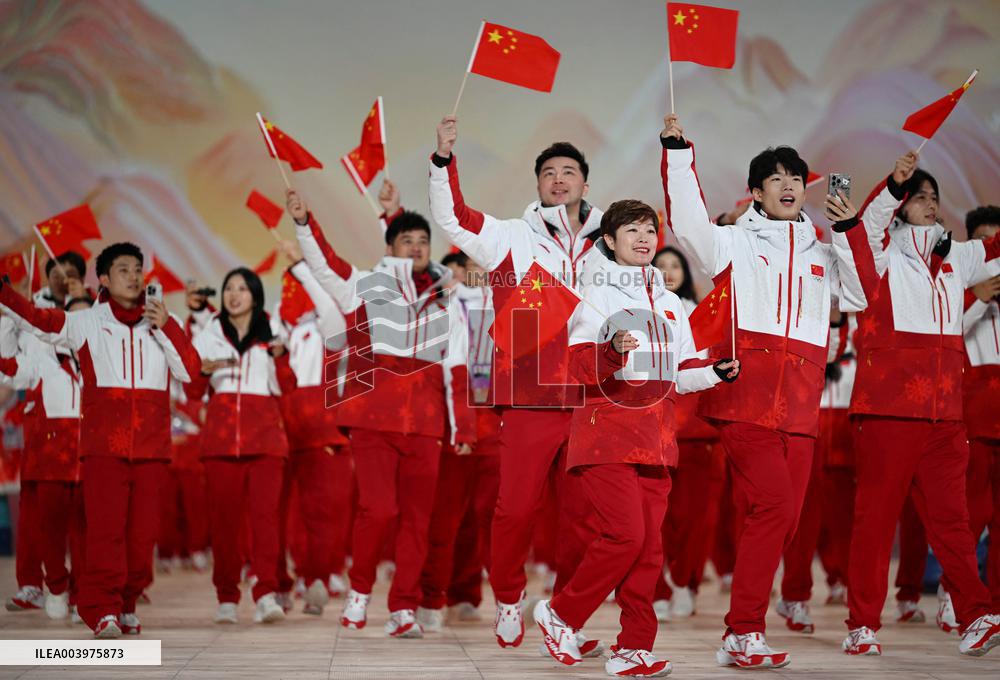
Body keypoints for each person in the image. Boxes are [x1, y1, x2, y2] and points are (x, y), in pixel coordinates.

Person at [660, 112, 878, 668]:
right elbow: (686, 220)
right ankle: (744, 628)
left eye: (795, 178)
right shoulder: (732, 243)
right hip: (745, 399)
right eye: (775, 178)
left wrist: (850, 229)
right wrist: (680, 156)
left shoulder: (823, 251)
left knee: (778, 515)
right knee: (776, 506)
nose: (787, 186)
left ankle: (742, 632)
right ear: (756, 191)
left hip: (801, 406)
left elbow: (861, 294)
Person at [532, 199, 739, 676]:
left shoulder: (670, 302)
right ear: (610, 240)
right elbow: (578, 365)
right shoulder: (596, 291)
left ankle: (634, 647)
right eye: (632, 230)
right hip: (606, 433)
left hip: (658, 439)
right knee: (625, 536)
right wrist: (611, 351)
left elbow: (680, 373)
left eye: (650, 230)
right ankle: (561, 614)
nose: (644, 238)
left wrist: (715, 373)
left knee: (648, 550)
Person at [429, 116, 608, 653]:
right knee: (515, 508)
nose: (559, 179)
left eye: (569, 171)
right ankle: (508, 598)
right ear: (538, 184)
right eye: (549, 172)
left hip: (589, 395)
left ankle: (564, 615)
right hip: (529, 392)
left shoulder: (610, 242)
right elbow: (454, 219)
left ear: (585, 183)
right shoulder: (510, 236)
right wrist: (443, 163)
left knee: (581, 518)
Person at [290, 185, 472, 638]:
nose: (415, 248)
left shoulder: (446, 299)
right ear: (390, 247)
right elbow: (324, 263)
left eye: (422, 242)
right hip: (374, 422)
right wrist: (303, 223)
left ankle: (403, 607)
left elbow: (458, 369)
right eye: (406, 241)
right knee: (380, 510)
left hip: (427, 426)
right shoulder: (364, 287)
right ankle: (359, 593)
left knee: (417, 519)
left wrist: (462, 426)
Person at [0, 242, 200, 638]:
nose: (133, 275)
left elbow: (191, 377)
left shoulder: (162, 320)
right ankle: (101, 608)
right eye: (122, 269)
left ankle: (126, 603)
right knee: (105, 534)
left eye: (137, 268)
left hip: (151, 449)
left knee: (142, 540)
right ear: (104, 280)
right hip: (104, 448)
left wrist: (168, 327)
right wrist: (5, 295)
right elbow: (40, 320)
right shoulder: (88, 321)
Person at [844, 155, 1000, 656]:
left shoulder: (960, 257)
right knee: (877, 518)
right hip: (890, 409)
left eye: (934, 197)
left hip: (946, 415)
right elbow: (868, 220)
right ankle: (863, 624)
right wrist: (893, 182)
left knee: (952, 521)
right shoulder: (882, 251)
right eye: (919, 196)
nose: (930, 204)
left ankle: (975, 615)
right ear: (902, 206)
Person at [186, 267, 290, 625]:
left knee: (266, 522)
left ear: (255, 295)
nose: (234, 294)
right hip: (220, 440)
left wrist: (282, 358)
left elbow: (287, 387)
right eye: (229, 287)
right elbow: (191, 390)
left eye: (242, 289)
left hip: (265, 439)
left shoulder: (274, 331)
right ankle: (227, 595)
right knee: (225, 524)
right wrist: (202, 371)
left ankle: (266, 593)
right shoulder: (208, 332)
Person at [418, 254, 501, 631]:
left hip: (500, 427)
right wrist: (463, 427)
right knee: (447, 518)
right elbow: (455, 371)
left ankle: (476, 596)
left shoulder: (512, 302)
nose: (482, 272)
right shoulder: (454, 303)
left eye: (489, 265)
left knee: (495, 521)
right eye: (475, 265)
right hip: (458, 425)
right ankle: (433, 597)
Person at [271, 238, 352, 616]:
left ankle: (319, 574)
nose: (296, 292)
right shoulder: (284, 333)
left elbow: (328, 307)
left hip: (323, 430)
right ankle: (294, 577)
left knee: (325, 510)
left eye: (301, 285)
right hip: (285, 431)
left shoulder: (330, 328)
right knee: (289, 513)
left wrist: (303, 265)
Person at [0, 294, 89, 620]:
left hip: (88, 456)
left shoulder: (101, 359)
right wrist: (8, 320)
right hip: (51, 455)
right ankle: (56, 584)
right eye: (74, 318)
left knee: (85, 531)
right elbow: (10, 370)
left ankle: (82, 595)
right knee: (49, 529)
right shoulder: (42, 354)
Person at [649, 246, 725, 622]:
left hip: (697, 434)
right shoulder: (640, 313)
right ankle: (657, 588)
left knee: (694, 520)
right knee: (653, 520)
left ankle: (685, 585)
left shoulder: (704, 315)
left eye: (674, 265)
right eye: (659, 265)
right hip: (652, 431)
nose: (666, 272)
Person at [775, 311, 858, 633]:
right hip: (806, 428)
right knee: (804, 521)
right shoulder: (802, 320)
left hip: (847, 438)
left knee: (847, 522)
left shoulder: (862, 329)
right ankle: (795, 595)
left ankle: (846, 583)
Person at [961, 205, 1000, 610]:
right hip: (972, 416)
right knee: (971, 514)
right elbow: (946, 331)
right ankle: (960, 597)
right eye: (985, 244)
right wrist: (976, 298)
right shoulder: (953, 282)